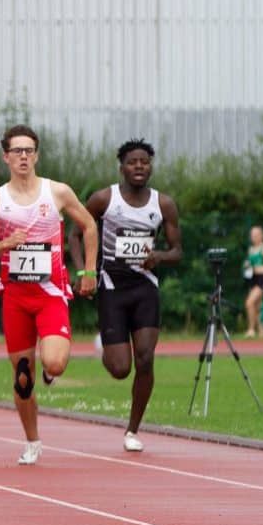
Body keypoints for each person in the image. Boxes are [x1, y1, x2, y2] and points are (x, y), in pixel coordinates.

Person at [0, 124, 98, 465]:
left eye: (29, 150)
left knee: (55, 361)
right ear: (6, 157)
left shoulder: (56, 192)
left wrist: (88, 270)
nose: (24, 156)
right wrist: (5, 244)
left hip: (50, 294)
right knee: (23, 378)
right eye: (17, 151)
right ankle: (32, 442)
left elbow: (88, 225)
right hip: (16, 298)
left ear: (37, 155)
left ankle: (50, 371)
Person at [68, 139, 182, 452]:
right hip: (111, 287)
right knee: (120, 369)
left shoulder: (163, 205)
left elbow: (177, 251)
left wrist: (158, 256)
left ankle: (132, 430)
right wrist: (84, 272)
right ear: (122, 167)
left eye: (144, 162)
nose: (139, 167)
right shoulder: (105, 199)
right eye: (133, 162)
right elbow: (75, 234)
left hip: (145, 288)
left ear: (151, 166)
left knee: (145, 358)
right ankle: (102, 344)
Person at [243, 225, 263, 338]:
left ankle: (251, 329)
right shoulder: (251, 249)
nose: (253, 237)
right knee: (257, 306)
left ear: (261, 235)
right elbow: (250, 264)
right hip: (253, 278)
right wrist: (247, 265)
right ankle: (261, 332)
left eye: (255, 235)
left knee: (249, 303)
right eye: (252, 235)